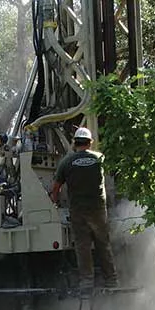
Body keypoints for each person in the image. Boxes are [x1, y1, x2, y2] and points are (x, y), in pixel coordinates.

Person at [50, 126, 119, 296]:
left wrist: (54, 202)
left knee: (83, 247)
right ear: (90, 142)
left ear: (75, 142)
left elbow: (56, 187)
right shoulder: (100, 158)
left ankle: (87, 282)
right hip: (98, 209)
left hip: (78, 211)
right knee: (103, 244)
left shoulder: (66, 162)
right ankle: (111, 280)